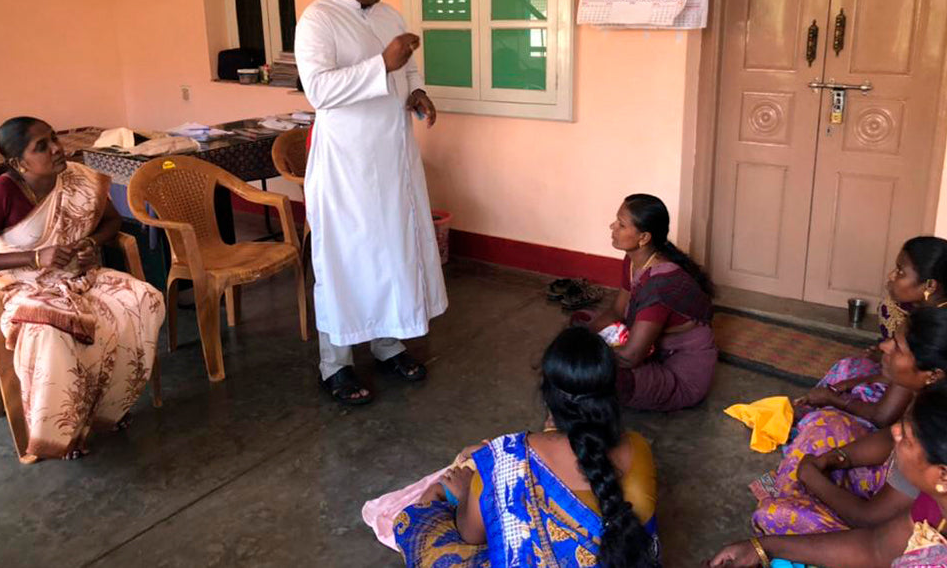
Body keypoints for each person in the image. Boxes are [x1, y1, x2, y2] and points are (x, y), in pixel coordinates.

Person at [294, 0, 446, 406]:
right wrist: (382, 64)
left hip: (393, 159)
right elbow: (319, 91)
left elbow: (406, 71)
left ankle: (387, 344)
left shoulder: (389, 15)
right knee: (344, 260)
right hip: (347, 168)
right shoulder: (318, 20)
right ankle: (333, 365)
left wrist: (415, 90)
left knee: (392, 253)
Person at [0, 117, 164, 461]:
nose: (56, 148)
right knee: (53, 330)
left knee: (144, 299)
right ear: (19, 163)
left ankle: (107, 409)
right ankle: (64, 431)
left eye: (53, 139)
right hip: (26, 288)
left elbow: (111, 221)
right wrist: (35, 257)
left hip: (81, 278)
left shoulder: (77, 178)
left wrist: (93, 242)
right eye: (41, 146)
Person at [394, 327, 659, 568]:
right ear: (611, 393)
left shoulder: (504, 460)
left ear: (547, 394)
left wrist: (465, 491)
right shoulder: (637, 448)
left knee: (419, 519)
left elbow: (470, 535)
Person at [752, 306, 947, 535]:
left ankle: (792, 493)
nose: (885, 346)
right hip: (890, 478)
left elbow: (869, 521)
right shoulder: (931, 400)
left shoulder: (933, 446)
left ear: (933, 375)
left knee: (774, 514)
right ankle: (794, 490)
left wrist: (813, 479)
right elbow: (889, 435)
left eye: (898, 348)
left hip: (882, 526)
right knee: (825, 428)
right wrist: (839, 458)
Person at [707, 385, 947, 568]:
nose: (894, 432)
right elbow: (876, 547)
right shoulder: (933, 504)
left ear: (943, 476)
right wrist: (762, 547)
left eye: (906, 437)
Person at [586, 193, 716, 411]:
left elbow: (631, 357)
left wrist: (581, 354)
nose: (612, 226)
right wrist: (582, 337)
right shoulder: (633, 259)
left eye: (621, 224)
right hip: (653, 350)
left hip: (679, 376)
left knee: (603, 377)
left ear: (644, 237)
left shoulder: (660, 284)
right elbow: (618, 310)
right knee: (582, 324)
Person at [810, 237, 947, 408]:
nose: (892, 276)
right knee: (850, 367)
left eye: (900, 272)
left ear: (930, 286)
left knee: (827, 421)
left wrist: (832, 398)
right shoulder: (927, 312)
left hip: (913, 415)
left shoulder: (930, 328)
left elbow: (882, 416)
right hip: (902, 387)